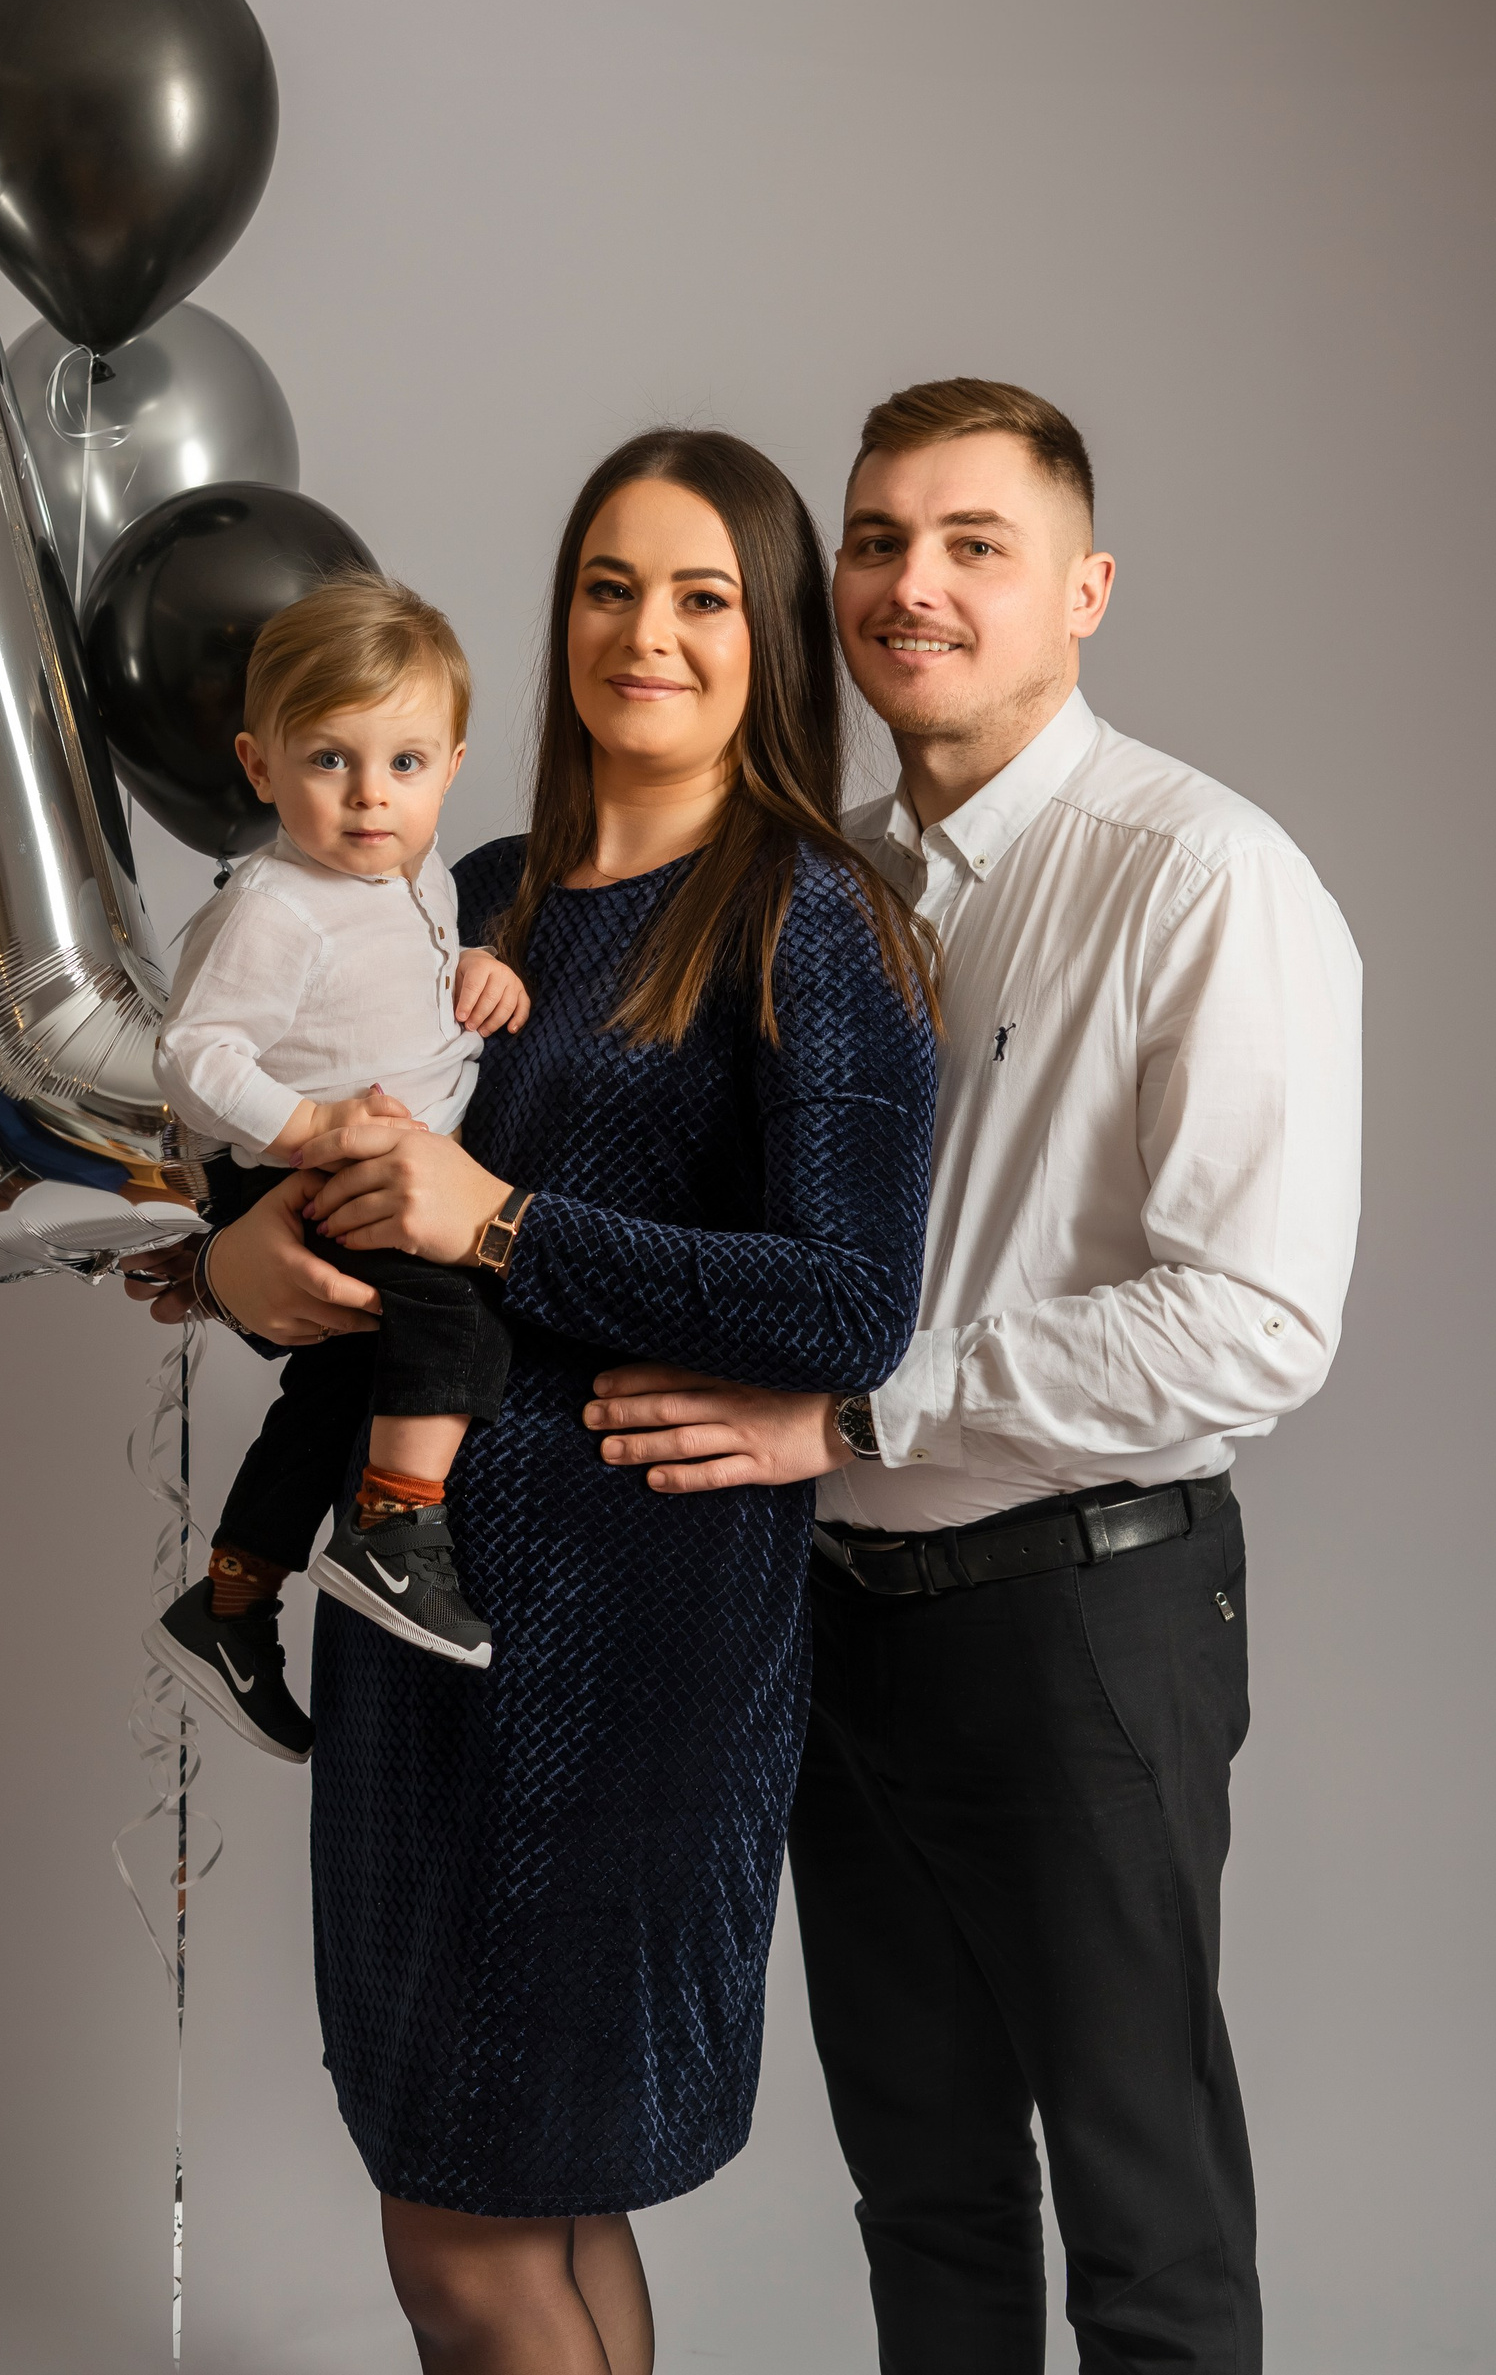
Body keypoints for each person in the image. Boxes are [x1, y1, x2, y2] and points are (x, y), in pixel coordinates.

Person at [131, 427, 937, 2375]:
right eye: (608, 586)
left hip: (632, 1642)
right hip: (413, 1607)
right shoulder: (459, 890)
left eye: (701, 596)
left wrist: (501, 1222)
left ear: (771, 640)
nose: (645, 632)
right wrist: (237, 1263)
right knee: (532, 2198)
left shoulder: (807, 913)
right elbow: (340, 1208)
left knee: (473, 2226)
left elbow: (849, 1304)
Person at [585, 378, 1364, 2375]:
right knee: (923, 2195)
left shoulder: (1201, 874)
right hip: (833, 1619)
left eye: (971, 545)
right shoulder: (809, 883)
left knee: (1144, 2211)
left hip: (1081, 1614)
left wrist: (853, 1412)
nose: (908, 585)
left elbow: (1255, 1319)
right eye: (875, 542)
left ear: (1083, 588)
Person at [144, 575, 531, 1761]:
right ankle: (395, 1532)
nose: (371, 795)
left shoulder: (420, 872)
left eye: (404, 763)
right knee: (462, 1316)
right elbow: (193, 1053)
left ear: (451, 767)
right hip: (307, 1173)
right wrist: (306, 1127)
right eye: (330, 761)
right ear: (259, 767)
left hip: (367, 1164)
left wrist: (476, 973)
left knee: (333, 1393)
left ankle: (230, 1599)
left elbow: (400, 987)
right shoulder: (279, 906)